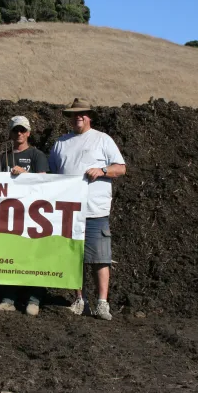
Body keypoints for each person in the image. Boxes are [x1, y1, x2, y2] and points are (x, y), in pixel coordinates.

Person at [48, 98, 126, 320]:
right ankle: (79, 299)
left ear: (89, 116)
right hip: (69, 211)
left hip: (95, 210)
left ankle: (102, 303)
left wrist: (102, 170)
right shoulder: (60, 144)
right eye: (74, 114)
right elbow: (51, 176)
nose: (78, 117)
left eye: (82, 113)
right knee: (74, 257)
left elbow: (120, 168)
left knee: (100, 258)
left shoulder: (103, 140)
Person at [0, 115, 50, 316]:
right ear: (10, 132)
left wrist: (25, 175)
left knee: (35, 257)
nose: (19, 133)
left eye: (23, 130)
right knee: (10, 258)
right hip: (9, 216)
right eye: (16, 130)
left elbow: (45, 183)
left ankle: (34, 300)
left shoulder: (37, 155)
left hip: (32, 216)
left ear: (28, 132)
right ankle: (9, 299)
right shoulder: (1, 158)